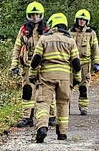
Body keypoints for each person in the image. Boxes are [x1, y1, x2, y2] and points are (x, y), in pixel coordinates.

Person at [30, 13, 81, 143]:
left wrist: (32, 75)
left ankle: (42, 127)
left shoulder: (44, 39)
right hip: (64, 78)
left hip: (46, 76)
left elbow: (36, 60)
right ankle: (62, 133)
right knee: (63, 103)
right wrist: (77, 78)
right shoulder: (70, 41)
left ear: (52, 24)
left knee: (43, 102)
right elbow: (76, 63)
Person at [10, 1, 47, 127]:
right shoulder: (24, 30)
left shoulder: (46, 29)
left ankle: (51, 116)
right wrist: (14, 64)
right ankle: (27, 117)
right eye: (32, 15)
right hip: (27, 65)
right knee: (27, 91)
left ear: (41, 15)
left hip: (43, 66)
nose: (35, 17)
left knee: (45, 91)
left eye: (37, 15)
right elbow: (17, 47)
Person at [71, 9, 99, 115]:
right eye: (80, 19)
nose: (81, 21)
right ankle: (65, 106)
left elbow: (95, 48)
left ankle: (83, 107)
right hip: (71, 65)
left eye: (84, 20)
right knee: (68, 86)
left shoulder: (91, 33)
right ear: (76, 20)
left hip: (85, 64)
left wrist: (97, 63)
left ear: (87, 21)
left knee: (83, 87)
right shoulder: (70, 32)